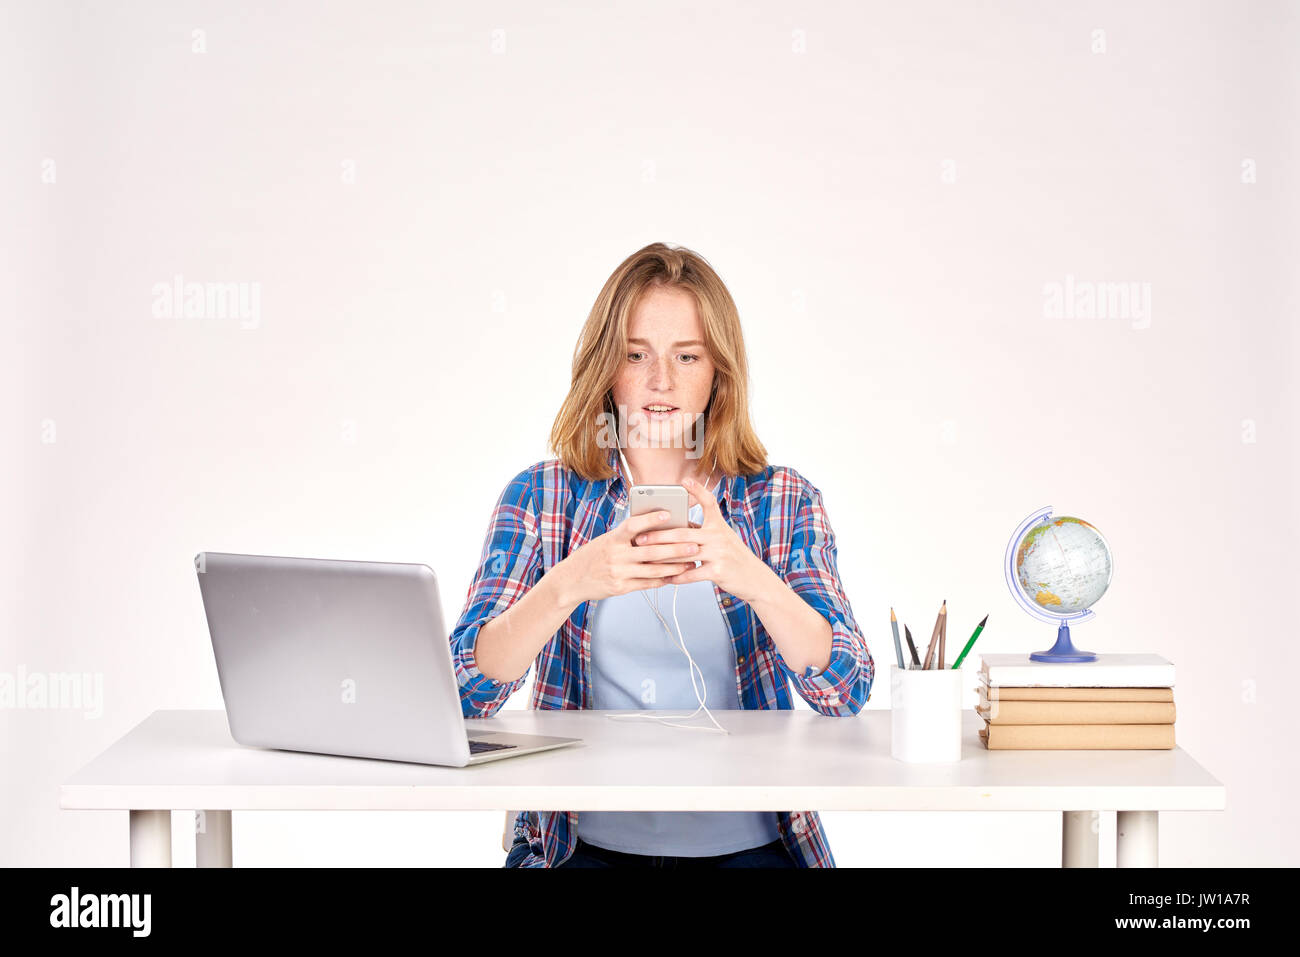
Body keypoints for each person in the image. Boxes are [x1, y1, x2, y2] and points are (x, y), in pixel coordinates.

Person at [450, 242, 874, 868]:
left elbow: (846, 689)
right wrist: (568, 583)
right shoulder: (543, 495)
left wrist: (750, 576)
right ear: (606, 368)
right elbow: (465, 692)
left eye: (687, 356)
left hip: (752, 850)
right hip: (582, 849)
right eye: (636, 354)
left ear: (718, 374)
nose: (661, 381)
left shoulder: (779, 499)